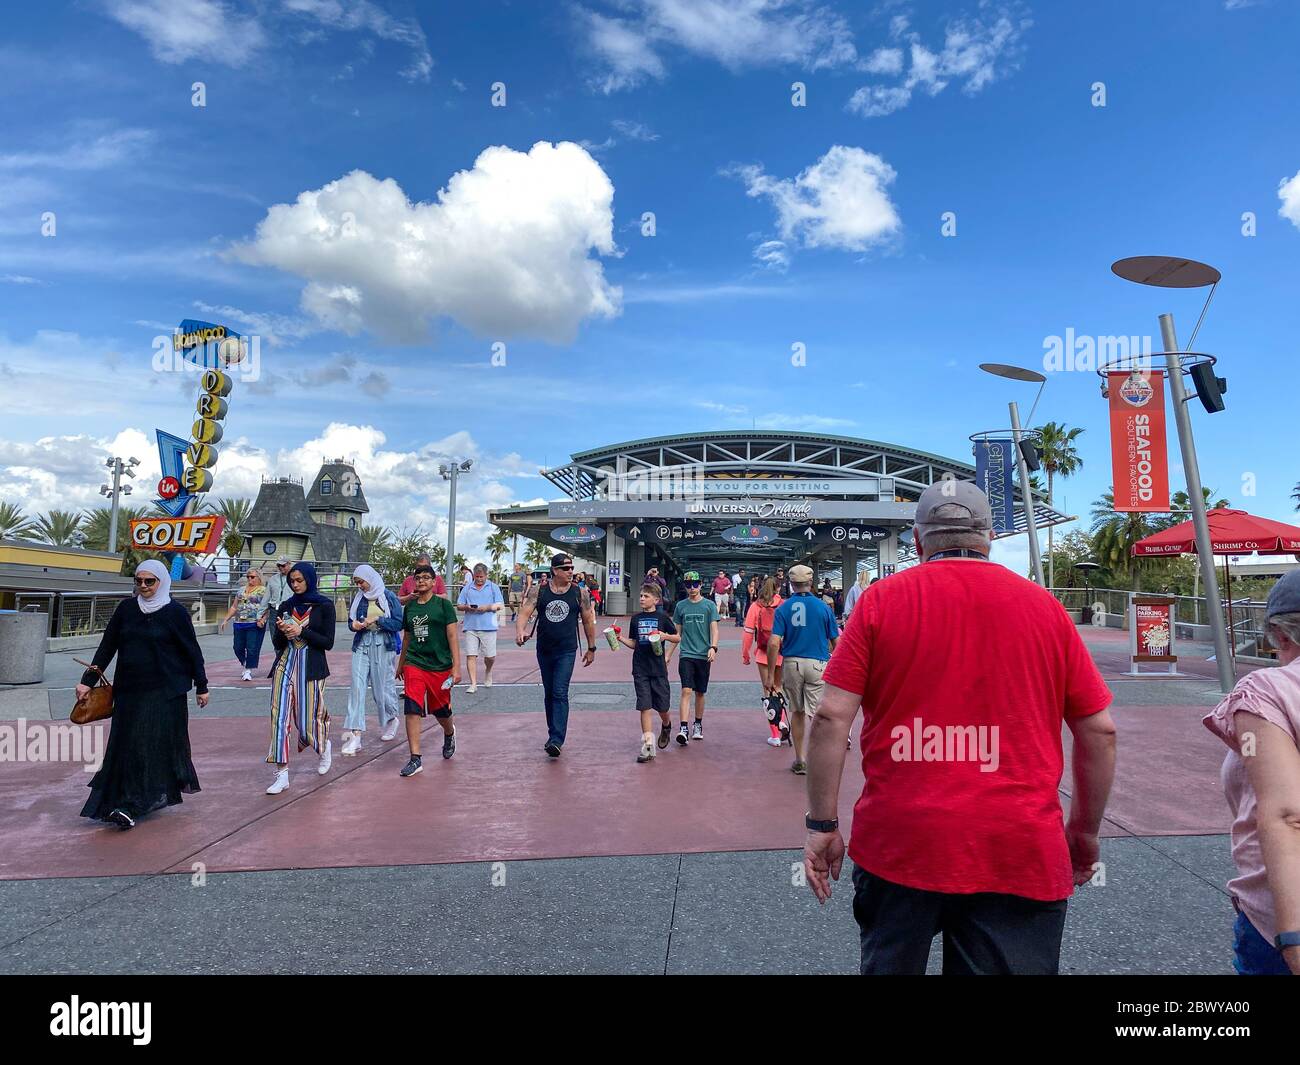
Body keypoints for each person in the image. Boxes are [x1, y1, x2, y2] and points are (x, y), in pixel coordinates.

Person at [802, 481, 1117, 975]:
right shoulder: (1045, 608)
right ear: (990, 536)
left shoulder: (881, 602)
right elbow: (1098, 731)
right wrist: (1084, 831)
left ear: (918, 539)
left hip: (900, 841)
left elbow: (829, 717)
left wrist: (822, 824)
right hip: (1018, 844)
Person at [1203, 569, 1300, 975]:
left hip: (1278, 915)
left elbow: (1287, 815)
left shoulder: (1267, 690)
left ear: (1280, 636)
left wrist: (1293, 938)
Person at [76, 560, 207, 830]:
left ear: (161, 582)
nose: (143, 586)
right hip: (129, 690)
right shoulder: (126, 609)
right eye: (138, 581)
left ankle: (132, 804)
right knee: (126, 746)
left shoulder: (175, 613)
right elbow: (107, 646)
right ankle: (125, 799)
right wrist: (87, 681)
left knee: (147, 745)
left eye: (150, 581)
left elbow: (192, 651)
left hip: (165, 691)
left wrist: (202, 686)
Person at [265, 562, 337, 795]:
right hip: (285, 663)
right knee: (279, 716)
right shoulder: (286, 606)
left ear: (309, 579)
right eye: (292, 581)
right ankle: (282, 773)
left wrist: (301, 631)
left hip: (311, 666)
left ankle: (323, 743)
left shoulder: (324, 605)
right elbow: (277, 644)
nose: (295, 584)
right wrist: (283, 632)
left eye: (299, 580)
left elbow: (328, 642)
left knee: (307, 721)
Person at [516, 553, 597, 757]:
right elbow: (525, 612)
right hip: (544, 649)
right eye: (566, 568)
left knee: (560, 691)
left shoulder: (579, 593)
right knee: (549, 692)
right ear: (555, 570)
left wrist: (592, 647)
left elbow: (588, 619)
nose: (571, 571)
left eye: (572, 568)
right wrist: (520, 631)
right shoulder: (540, 590)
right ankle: (553, 733)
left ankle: (557, 739)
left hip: (567, 650)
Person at [769, 564, 839, 775]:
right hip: (818, 663)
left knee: (797, 712)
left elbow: (773, 643)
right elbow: (837, 640)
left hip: (792, 664)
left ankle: (800, 759)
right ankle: (822, 759)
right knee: (817, 714)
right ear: (810, 583)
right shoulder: (823, 607)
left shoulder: (783, 608)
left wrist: (772, 675)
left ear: (791, 584)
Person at [395, 563, 461, 776]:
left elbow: (452, 636)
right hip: (415, 662)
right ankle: (415, 758)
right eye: (418, 577)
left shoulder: (444, 606)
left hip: (440, 665)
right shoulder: (411, 607)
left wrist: (456, 668)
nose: (421, 580)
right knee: (412, 706)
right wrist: (401, 663)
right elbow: (407, 636)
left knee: (440, 710)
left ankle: (449, 732)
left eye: (426, 577)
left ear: (434, 582)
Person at [342, 563, 403, 756]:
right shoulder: (359, 598)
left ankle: (392, 718)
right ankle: (355, 735)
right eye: (357, 583)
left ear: (371, 578)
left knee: (381, 689)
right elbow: (351, 623)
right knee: (357, 688)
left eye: (362, 582)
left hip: (383, 644)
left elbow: (398, 622)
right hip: (362, 643)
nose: (360, 586)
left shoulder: (388, 596)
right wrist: (357, 625)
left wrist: (378, 621)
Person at [617, 583, 680, 763]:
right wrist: (620, 638)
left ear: (656, 600)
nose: (642, 598)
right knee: (644, 706)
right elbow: (635, 643)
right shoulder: (635, 619)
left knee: (662, 707)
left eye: (646, 596)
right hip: (640, 668)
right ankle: (648, 746)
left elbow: (677, 637)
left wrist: (664, 636)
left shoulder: (662, 617)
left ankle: (666, 725)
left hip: (658, 669)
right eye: (641, 596)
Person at [671, 570, 719, 745]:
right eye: (688, 585)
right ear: (685, 586)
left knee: (700, 692)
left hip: (703, 654)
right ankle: (683, 727)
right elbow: (677, 634)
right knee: (686, 690)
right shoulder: (680, 606)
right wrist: (668, 654)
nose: (692, 588)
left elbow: (714, 629)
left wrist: (713, 647)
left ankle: (697, 724)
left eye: (695, 584)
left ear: (700, 585)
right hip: (686, 654)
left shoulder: (709, 606)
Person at [743, 577, 788, 747]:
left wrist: (745, 653)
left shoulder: (756, 606)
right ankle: (782, 720)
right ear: (778, 589)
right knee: (778, 687)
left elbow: (748, 632)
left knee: (767, 692)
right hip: (781, 652)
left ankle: (775, 735)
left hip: (762, 653)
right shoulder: (784, 604)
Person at [457, 563, 503, 693]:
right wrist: (467, 607)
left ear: (486, 575)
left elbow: (499, 605)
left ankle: (488, 671)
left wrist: (487, 607)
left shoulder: (493, 587)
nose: (479, 579)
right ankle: (473, 683)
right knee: (471, 655)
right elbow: (459, 605)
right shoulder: (467, 588)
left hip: (489, 626)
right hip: (470, 626)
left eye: (481, 577)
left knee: (490, 656)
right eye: (476, 577)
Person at [218, 567, 270, 682]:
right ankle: (245, 662)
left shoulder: (263, 590)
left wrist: (263, 619)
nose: (249, 579)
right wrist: (226, 619)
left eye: (252, 577)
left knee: (252, 647)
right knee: (237, 647)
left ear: (258, 577)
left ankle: (248, 670)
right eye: (248, 577)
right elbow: (234, 606)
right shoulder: (241, 590)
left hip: (254, 623)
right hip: (239, 622)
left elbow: (267, 607)